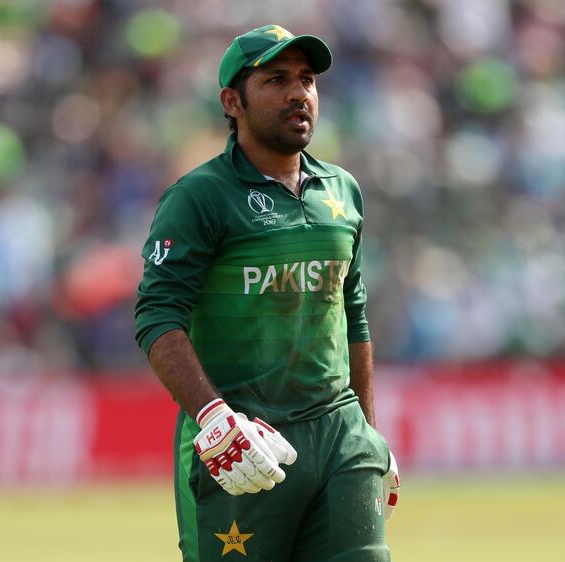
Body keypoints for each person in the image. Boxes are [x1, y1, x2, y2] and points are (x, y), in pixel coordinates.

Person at [135, 24, 400, 561]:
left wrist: (370, 435)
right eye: (276, 80)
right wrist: (212, 417)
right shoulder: (200, 197)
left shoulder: (342, 191)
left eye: (306, 79)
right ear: (232, 101)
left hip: (339, 437)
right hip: (243, 445)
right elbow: (157, 318)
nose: (299, 92)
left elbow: (353, 313)